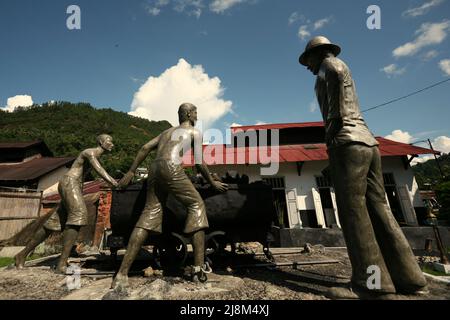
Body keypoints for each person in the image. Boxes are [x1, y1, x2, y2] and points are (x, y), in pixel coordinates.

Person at [299, 36, 428, 298]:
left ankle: (371, 284)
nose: (307, 66)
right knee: (379, 206)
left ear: (318, 54)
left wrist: (333, 144)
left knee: (352, 210)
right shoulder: (340, 67)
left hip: (346, 141)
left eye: (308, 60)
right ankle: (410, 278)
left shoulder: (329, 68)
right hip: (367, 141)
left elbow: (336, 112)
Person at [111, 102, 228, 291]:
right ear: (189, 114)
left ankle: (122, 274)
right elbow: (199, 162)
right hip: (171, 167)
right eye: (195, 113)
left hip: (154, 168)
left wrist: (131, 173)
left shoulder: (167, 132)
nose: (197, 116)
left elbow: (144, 148)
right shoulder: (194, 132)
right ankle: (198, 270)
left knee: (148, 215)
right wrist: (212, 183)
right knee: (196, 205)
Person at [15, 134, 118, 273]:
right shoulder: (90, 152)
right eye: (109, 141)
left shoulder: (95, 155)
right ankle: (61, 264)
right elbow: (98, 169)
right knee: (79, 215)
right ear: (101, 142)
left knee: (52, 224)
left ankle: (21, 255)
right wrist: (114, 182)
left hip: (74, 186)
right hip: (70, 183)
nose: (112, 144)